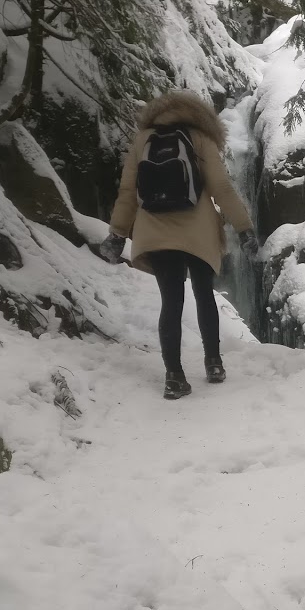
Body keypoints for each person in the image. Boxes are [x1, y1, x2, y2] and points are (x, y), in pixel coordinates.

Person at [101, 90, 259, 399]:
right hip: (197, 230)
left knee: (171, 303)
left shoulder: (143, 138)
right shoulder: (200, 137)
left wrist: (117, 234)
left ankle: (174, 377)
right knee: (204, 296)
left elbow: (128, 190)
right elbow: (222, 188)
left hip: (155, 232)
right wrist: (245, 229)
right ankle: (214, 363)